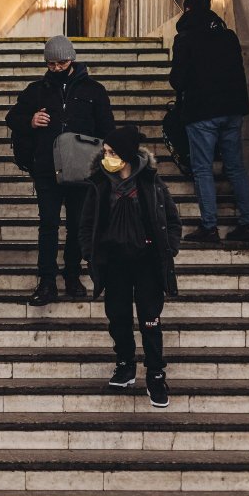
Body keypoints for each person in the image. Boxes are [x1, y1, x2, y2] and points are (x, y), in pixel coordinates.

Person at [5, 35, 115, 306]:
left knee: (78, 226)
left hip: (82, 169)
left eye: (61, 62)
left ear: (72, 59)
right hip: (46, 168)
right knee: (48, 226)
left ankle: (72, 275)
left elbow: (107, 129)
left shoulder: (94, 91)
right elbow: (12, 118)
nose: (56, 68)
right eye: (51, 64)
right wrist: (30, 120)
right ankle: (46, 280)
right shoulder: (36, 90)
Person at [78, 126, 181, 408]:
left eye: (112, 153)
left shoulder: (151, 183)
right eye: (106, 152)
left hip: (147, 262)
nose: (106, 157)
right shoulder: (99, 185)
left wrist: (169, 247)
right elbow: (86, 224)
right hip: (114, 263)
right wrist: (90, 252)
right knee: (118, 316)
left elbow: (171, 219)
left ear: (125, 154)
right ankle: (125, 364)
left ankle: (156, 374)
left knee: (150, 319)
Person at [169, 0, 249, 243]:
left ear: (187, 10)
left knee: (202, 169)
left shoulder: (185, 38)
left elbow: (178, 79)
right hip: (232, 110)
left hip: (201, 112)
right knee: (236, 168)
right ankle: (248, 224)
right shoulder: (228, 36)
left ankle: (209, 227)